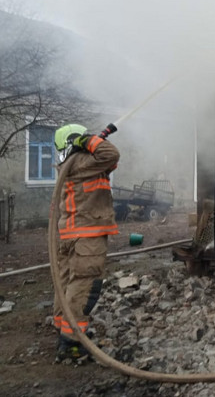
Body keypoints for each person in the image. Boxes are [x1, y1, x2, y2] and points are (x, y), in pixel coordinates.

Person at [52, 123, 120, 363]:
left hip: (73, 234)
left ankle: (63, 327)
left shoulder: (75, 165)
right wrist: (90, 141)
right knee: (84, 284)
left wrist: (93, 143)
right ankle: (72, 342)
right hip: (87, 236)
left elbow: (109, 161)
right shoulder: (80, 163)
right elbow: (111, 154)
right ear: (76, 141)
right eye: (83, 138)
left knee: (67, 282)